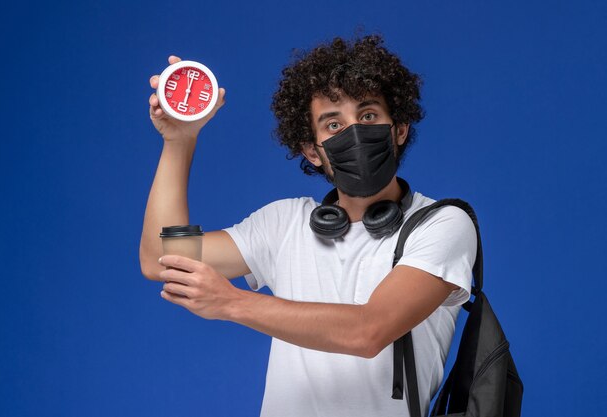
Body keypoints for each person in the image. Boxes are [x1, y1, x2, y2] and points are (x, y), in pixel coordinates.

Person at [140, 35, 477, 417]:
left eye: (367, 116)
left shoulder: (442, 224)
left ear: (398, 129)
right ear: (312, 152)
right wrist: (180, 139)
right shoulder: (284, 223)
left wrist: (231, 302)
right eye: (333, 124)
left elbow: (368, 332)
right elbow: (162, 259)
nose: (353, 133)